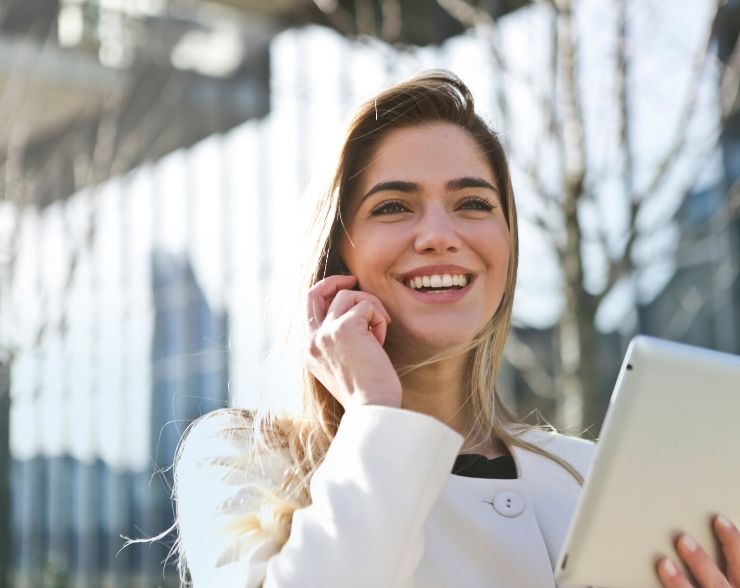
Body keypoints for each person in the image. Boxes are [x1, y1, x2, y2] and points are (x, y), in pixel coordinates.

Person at [173, 71, 740, 587]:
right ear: (337, 254)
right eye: (393, 207)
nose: (440, 235)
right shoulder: (239, 460)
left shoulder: (590, 476)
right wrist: (375, 413)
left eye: (473, 202)